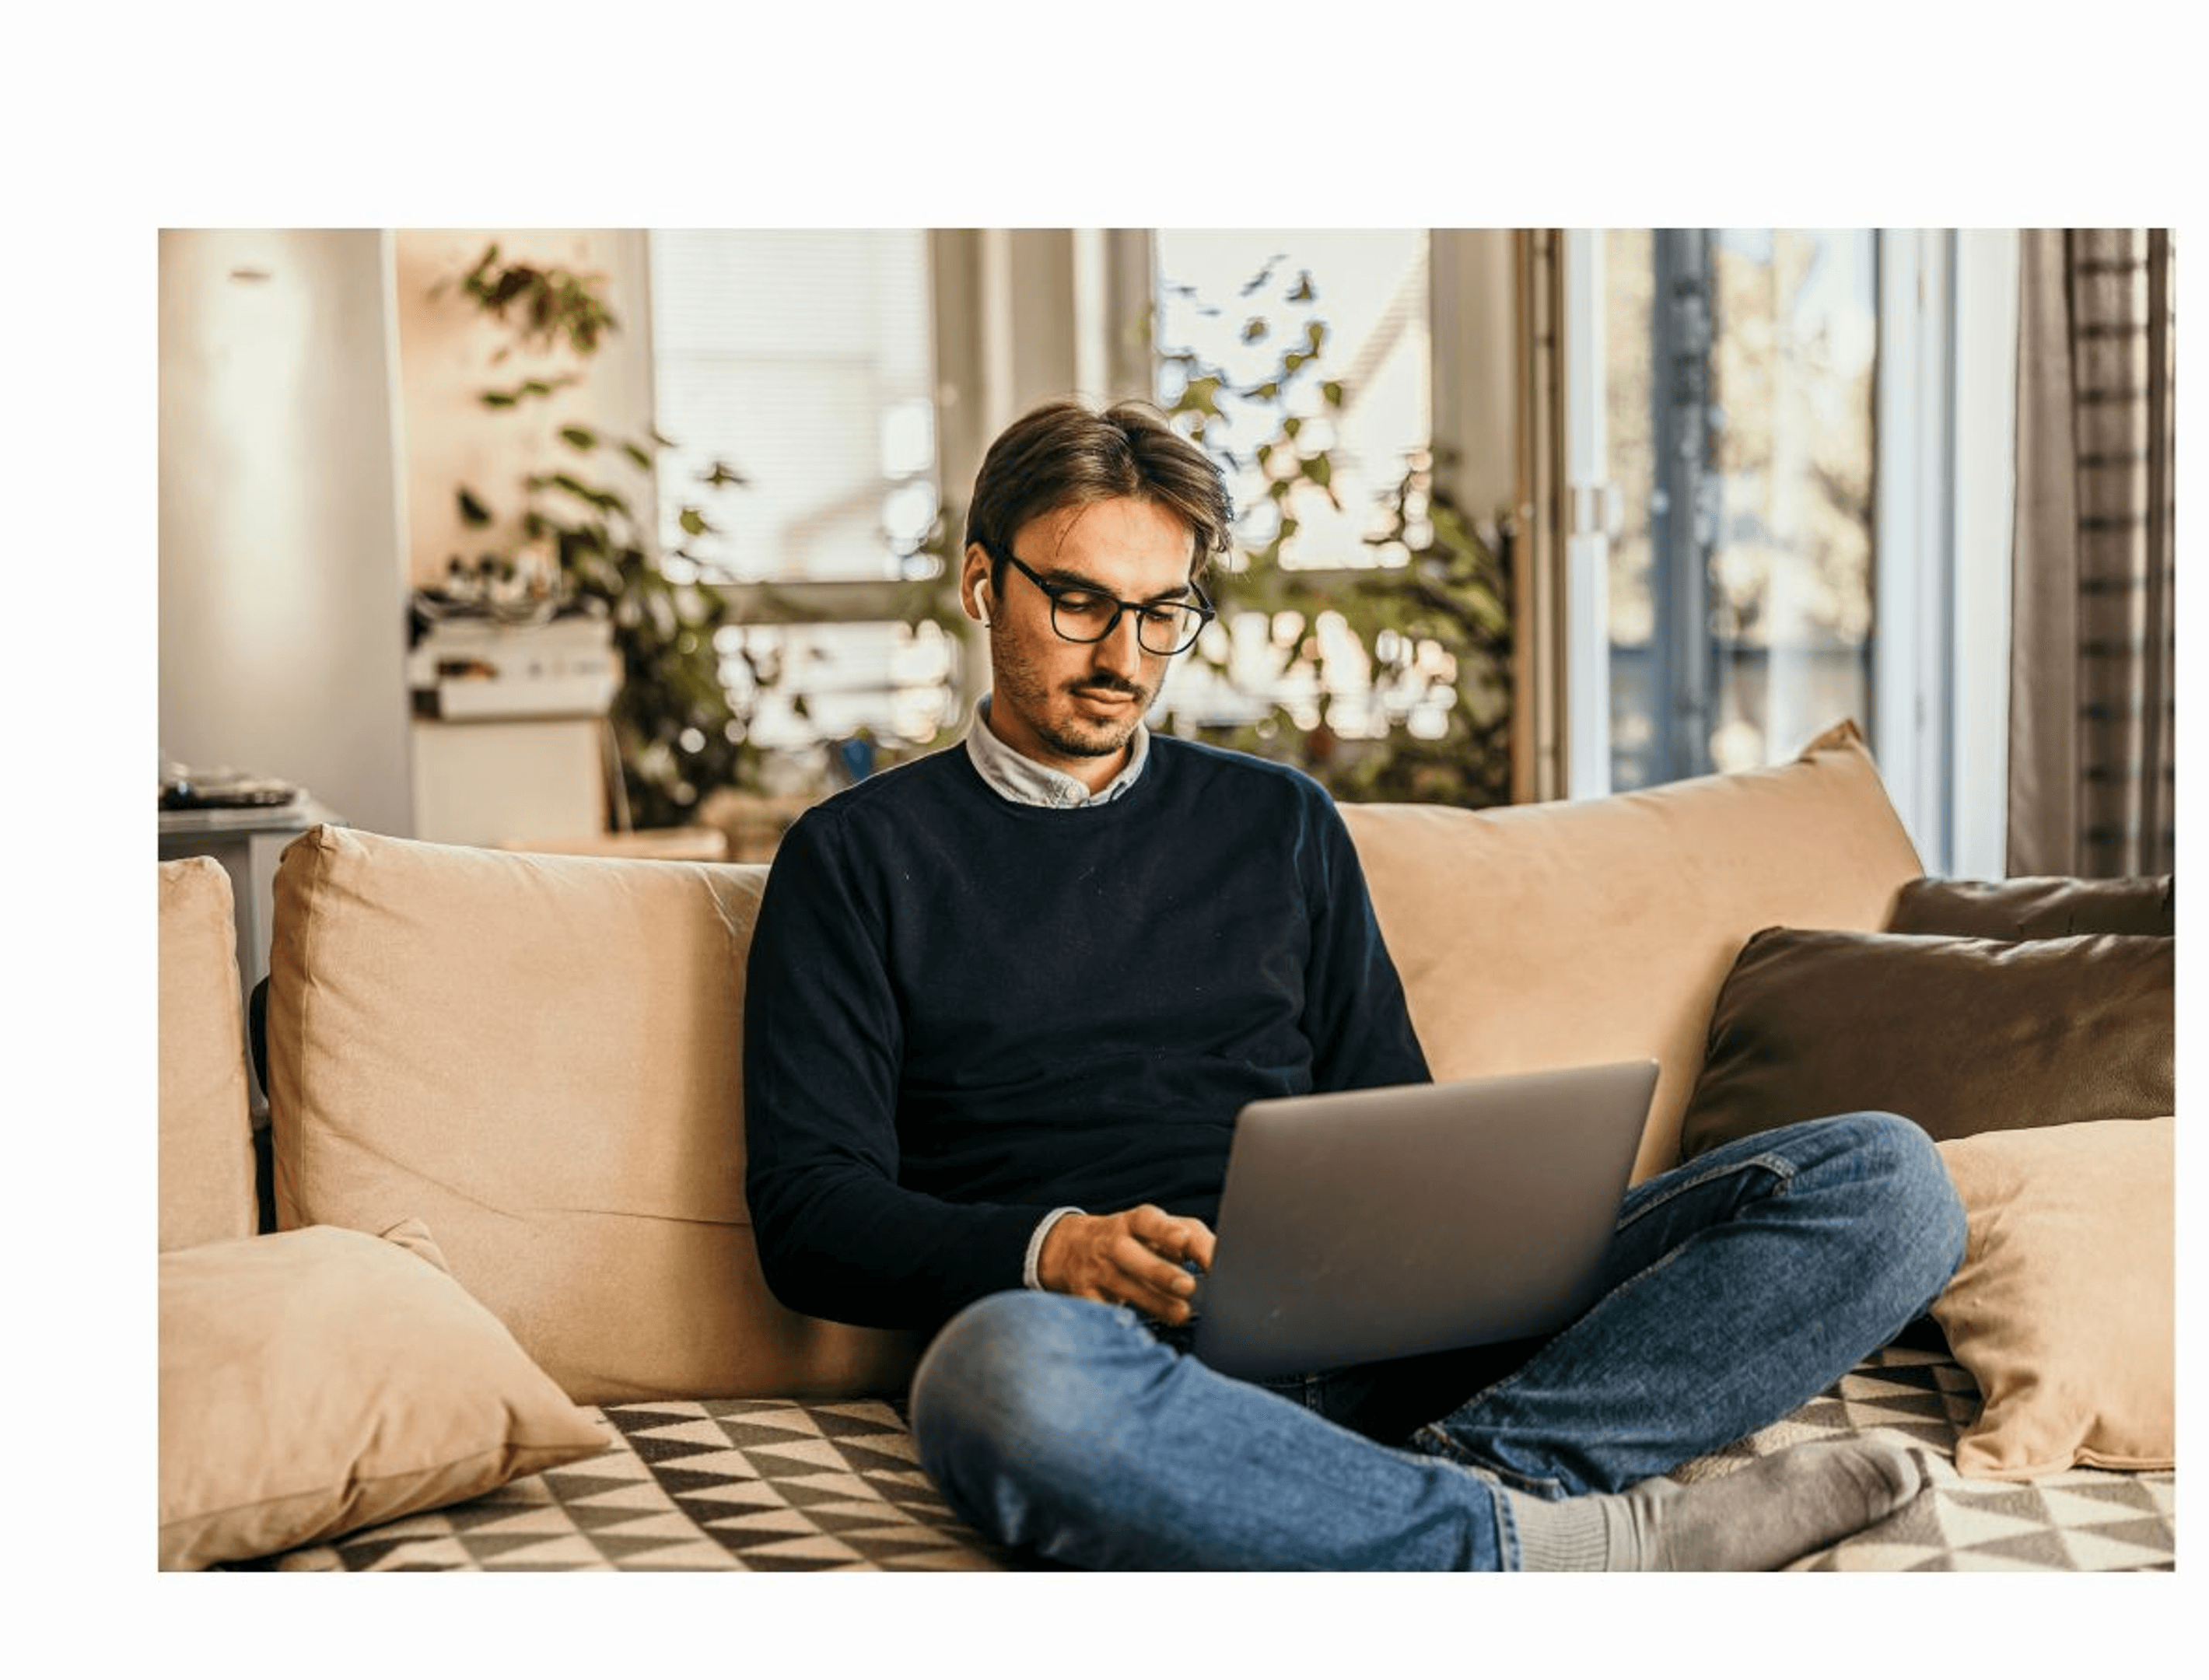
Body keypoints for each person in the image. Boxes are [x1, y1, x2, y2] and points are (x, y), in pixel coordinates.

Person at [741, 396, 1965, 1571]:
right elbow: (810, 1219)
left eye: (1162, 613)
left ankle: (1485, 1491)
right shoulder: (855, 859)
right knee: (992, 1383)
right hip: (1115, 1355)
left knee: (1892, 1180)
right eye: (1079, 605)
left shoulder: (1276, 822)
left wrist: (1439, 1244)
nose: (1124, 658)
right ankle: (1565, 1539)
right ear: (979, 584)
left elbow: (1391, 1113)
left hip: (1378, 1334)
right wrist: (1058, 1251)